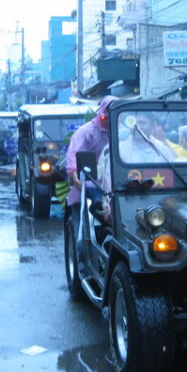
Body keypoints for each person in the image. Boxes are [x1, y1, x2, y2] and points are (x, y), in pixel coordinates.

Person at [66, 96, 119, 266]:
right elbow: (74, 155)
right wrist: (75, 176)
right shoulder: (85, 132)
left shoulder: (123, 130)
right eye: (107, 114)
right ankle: (100, 235)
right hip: (92, 181)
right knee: (98, 202)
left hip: (118, 179)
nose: (109, 118)